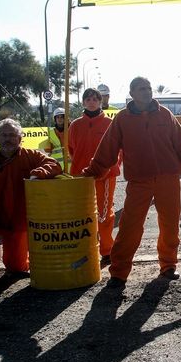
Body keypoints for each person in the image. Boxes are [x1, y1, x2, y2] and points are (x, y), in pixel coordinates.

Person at [83, 76, 181, 286]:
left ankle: (169, 265)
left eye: (149, 88)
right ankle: (118, 272)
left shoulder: (165, 114)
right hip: (139, 181)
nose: (147, 92)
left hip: (169, 179)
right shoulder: (122, 119)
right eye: (141, 89)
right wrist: (92, 171)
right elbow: (107, 150)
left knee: (170, 225)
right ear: (132, 93)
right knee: (130, 227)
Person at [0, 118, 61, 290]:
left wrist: (38, 173)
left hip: (19, 220)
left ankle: (15, 267)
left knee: (16, 268)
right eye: (3, 135)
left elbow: (53, 164)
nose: (7, 139)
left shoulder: (31, 156)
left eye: (12, 135)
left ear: (20, 138)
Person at [68, 88, 120, 266]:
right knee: (82, 214)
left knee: (104, 215)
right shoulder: (75, 125)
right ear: (83, 102)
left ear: (100, 101)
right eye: (88, 99)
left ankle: (106, 251)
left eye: (95, 99)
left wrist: (107, 169)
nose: (91, 102)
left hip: (104, 176)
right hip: (80, 177)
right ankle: (86, 250)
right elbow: (71, 150)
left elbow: (118, 151)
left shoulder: (109, 124)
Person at [43, 107, 70, 172]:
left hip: (71, 166)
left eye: (62, 117)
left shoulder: (72, 130)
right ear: (55, 119)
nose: (59, 119)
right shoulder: (51, 132)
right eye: (58, 117)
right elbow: (47, 150)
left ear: (65, 118)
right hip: (57, 166)